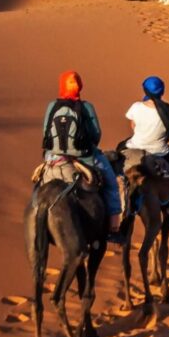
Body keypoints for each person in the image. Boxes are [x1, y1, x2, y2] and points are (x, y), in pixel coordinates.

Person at [42, 70, 122, 242]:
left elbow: (45, 133)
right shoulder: (86, 107)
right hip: (84, 157)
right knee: (111, 185)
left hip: (54, 158)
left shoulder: (52, 106)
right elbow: (96, 134)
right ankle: (114, 227)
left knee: (39, 185)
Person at [123, 76, 169, 202]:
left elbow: (133, 125)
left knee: (118, 153)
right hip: (160, 151)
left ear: (145, 91)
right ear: (162, 92)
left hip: (135, 145)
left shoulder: (136, 107)